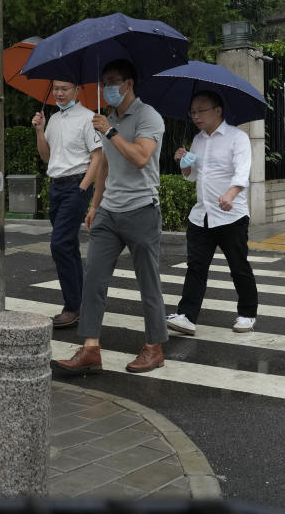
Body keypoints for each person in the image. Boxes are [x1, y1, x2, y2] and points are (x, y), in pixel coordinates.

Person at [54, 59, 168, 374]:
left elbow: (141, 157)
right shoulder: (109, 118)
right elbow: (104, 164)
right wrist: (94, 205)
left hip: (142, 210)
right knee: (93, 279)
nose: (107, 88)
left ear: (129, 84)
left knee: (148, 282)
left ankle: (154, 347)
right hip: (109, 212)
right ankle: (90, 348)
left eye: (113, 81)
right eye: (104, 82)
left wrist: (111, 130)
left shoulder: (148, 117)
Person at [166, 91, 258, 336]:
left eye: (201, 111)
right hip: (201, 215)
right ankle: (187, 316)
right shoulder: (197, 140)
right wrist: (183, 161)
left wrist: (231, 194)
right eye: (193, 112)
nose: (196, 116)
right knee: (196, 266)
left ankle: (247, 314)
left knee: (238, 266)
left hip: (232, 215)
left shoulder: (237, 138)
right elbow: (192, 175)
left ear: (218, 110)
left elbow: (242, 171)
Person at [31, 80, 103, 328]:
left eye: (65, 88)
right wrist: (39, 131)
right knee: (68, 245)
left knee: (59, 243)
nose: (59, 93)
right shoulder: (52, 118)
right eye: (56, 89)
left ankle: (72, 306)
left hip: (76, 185)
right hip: (56, 186)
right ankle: (82, 303)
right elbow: (46, 156)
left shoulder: (88, 118)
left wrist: (83, 187)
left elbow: (98, 156)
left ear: (77, 90)